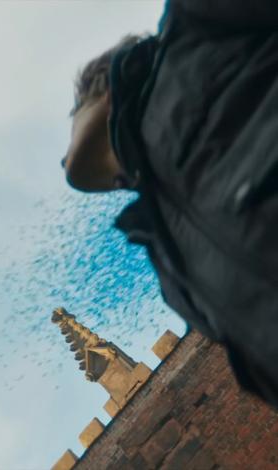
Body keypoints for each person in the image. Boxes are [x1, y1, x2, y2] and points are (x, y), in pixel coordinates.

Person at [61, 1, 278, 407]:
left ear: (102, 87)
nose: (62, 159)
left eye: (71, 118)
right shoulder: (170, 261)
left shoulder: (195, 30)